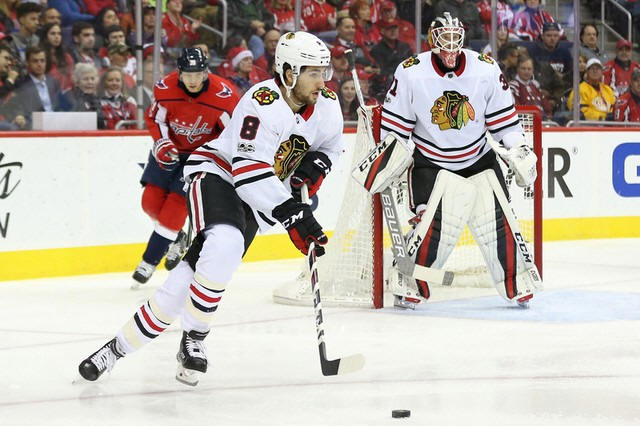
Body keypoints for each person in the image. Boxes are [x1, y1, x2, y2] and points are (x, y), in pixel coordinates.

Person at [77, 31, 343, 386]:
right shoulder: (261, 102)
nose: (322, 81)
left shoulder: (326, 104)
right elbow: (248, 171)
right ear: (288, 72)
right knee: (225, 242)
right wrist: (291, 213)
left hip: (261, 197)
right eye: (313, 73)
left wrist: (316, 166)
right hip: (219, 174)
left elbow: (330, 145)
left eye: (324, 72)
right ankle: (195, 338)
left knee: (188, 279)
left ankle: (115, 349)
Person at [378, 13, 541, 309]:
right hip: (431, 162)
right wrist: (389, 159)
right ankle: (410, 280)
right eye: (445, 37)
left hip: (478, 158)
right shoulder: (411, 72)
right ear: (432, 39)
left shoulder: (485, 68)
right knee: (435, 226)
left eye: (456, 37)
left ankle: (516, 280)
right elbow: (394, 129)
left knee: (498, 221)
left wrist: (518, 148)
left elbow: (504, 123)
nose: (451, 44)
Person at [131, 47, 240, 286]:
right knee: (149, 203)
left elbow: (232, 134)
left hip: (199, 157)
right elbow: (156, 118)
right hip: (169, 150)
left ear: (206, 72)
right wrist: (161, 142)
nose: (193, 80)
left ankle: (148, 262)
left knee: (175, 208)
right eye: (188, 74)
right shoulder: (165, 89)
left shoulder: (223, 96)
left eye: (198, 74)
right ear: (179, 73)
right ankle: (177, 238)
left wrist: (216, 158)